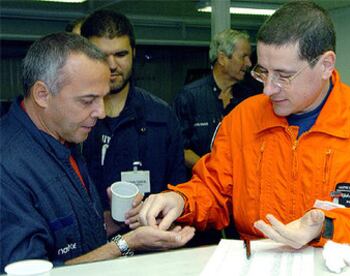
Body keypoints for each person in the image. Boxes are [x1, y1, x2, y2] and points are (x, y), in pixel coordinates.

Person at [138, 1, 350, 262]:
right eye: (262, 72)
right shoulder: (244, 119)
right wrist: (181, 199)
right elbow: (214, 188)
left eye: (283, 75)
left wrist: (326, 228)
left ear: (326, 65)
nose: (268, 89)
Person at [0, 32, 194, 272]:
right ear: (42, 94)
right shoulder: (7, 167)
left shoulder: (64, 140)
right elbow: (33, 272)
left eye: (102, 98)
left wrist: (116, 220)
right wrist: (125, 244)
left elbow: (74, 235)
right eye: (87, 100)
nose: (101, 112)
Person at [80, 10, 188, 236]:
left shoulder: (161, 116)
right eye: (101, 55)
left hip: (150, 250)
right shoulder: (71, 119)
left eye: (120, 54)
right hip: (91, 251)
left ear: (133, 53)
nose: (111, 65)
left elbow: (179, 190)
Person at [173, 29, 253, 169]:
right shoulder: (189, 97)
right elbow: (179, 148)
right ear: (222, 58)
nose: (249, 63)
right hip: (198, 183)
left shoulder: (248, 99)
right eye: (243, 57)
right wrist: (211, 171)